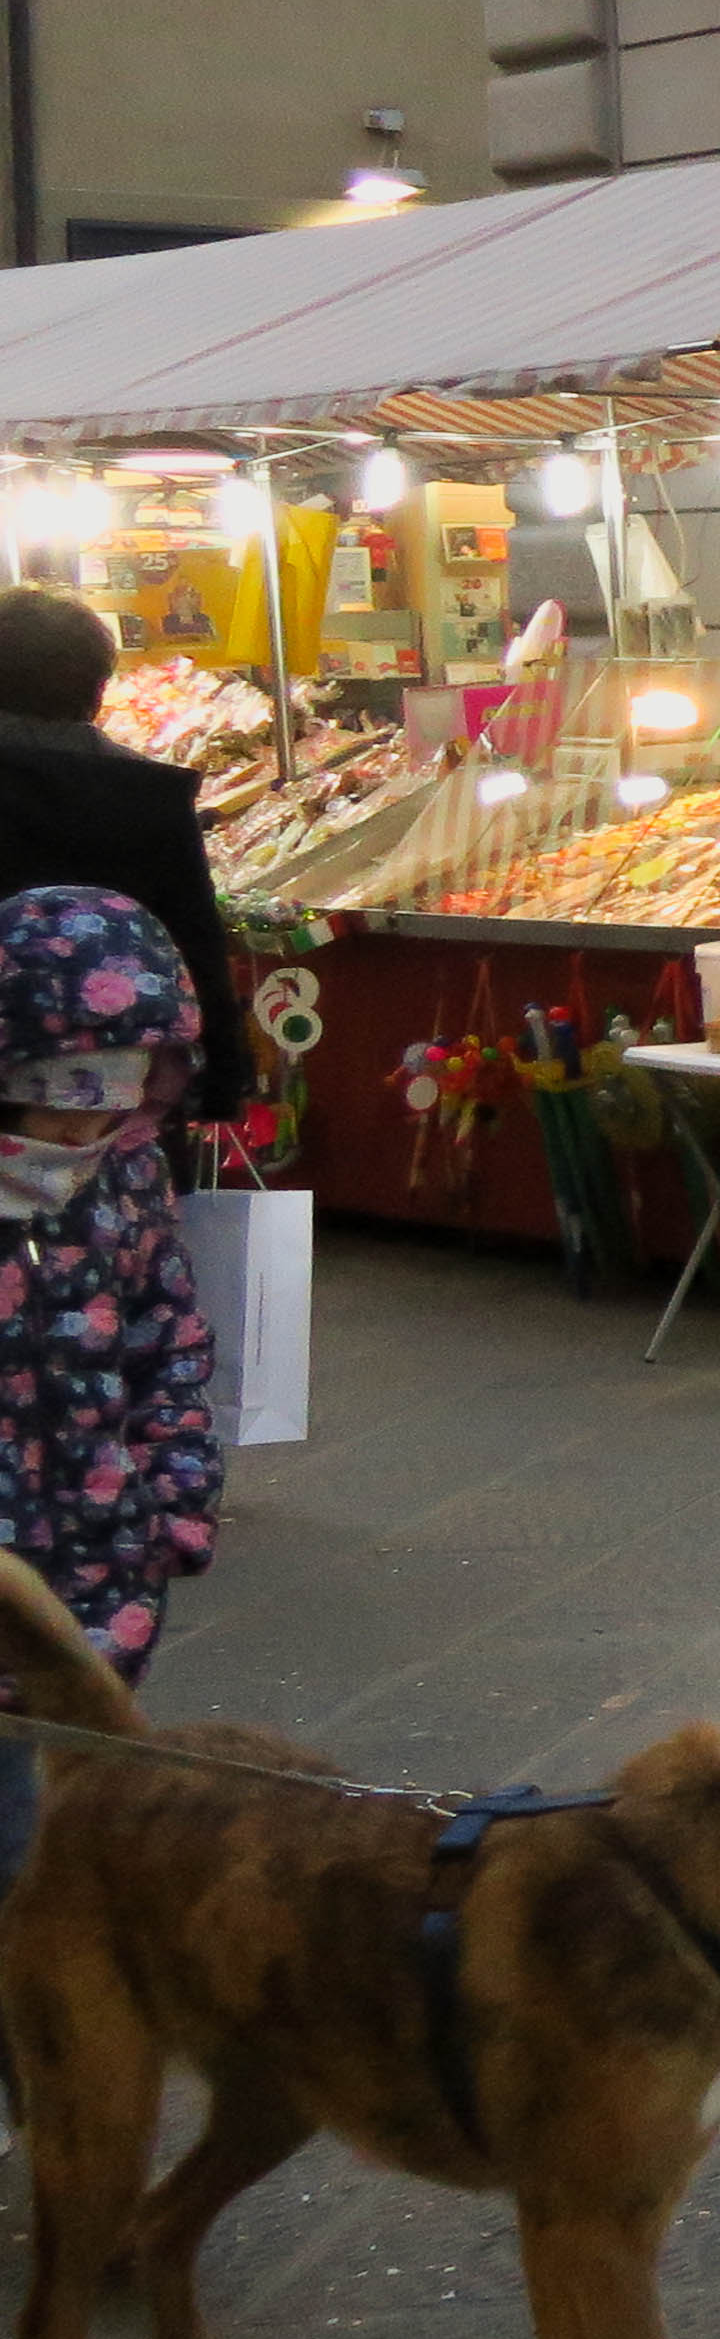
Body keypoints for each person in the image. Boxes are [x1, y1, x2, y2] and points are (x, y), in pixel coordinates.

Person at [0, 886, 220, 1889]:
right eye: (62, 1099)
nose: (82, 1133)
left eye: (115, 1101)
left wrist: (175, 1497)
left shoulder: (128, 1179)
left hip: (103, 1566)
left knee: (75, 1832)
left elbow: (167, 1339)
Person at [0, 588, 250, 1099]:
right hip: (118, 1089)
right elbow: (193, 940)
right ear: (97, 688)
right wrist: (223, 1076)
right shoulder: (149, 792)